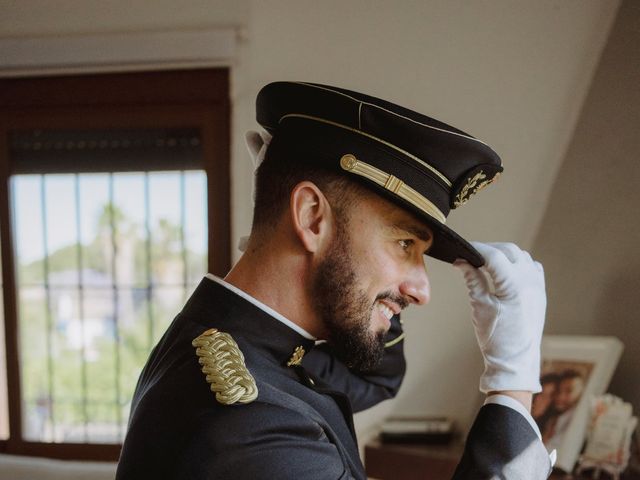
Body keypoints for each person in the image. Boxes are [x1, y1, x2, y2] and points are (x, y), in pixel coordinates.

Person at [115, 81, 553, 479]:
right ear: (310, 217)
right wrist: (512, 383)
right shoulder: (250, 423)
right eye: (404, 244)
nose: (423, 291)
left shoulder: (226, 342)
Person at [544, 369, 586, 449]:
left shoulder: (577, 422)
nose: (560, 397)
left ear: (580, 393)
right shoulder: (550, 416)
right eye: (558, 391)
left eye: (569, 391)